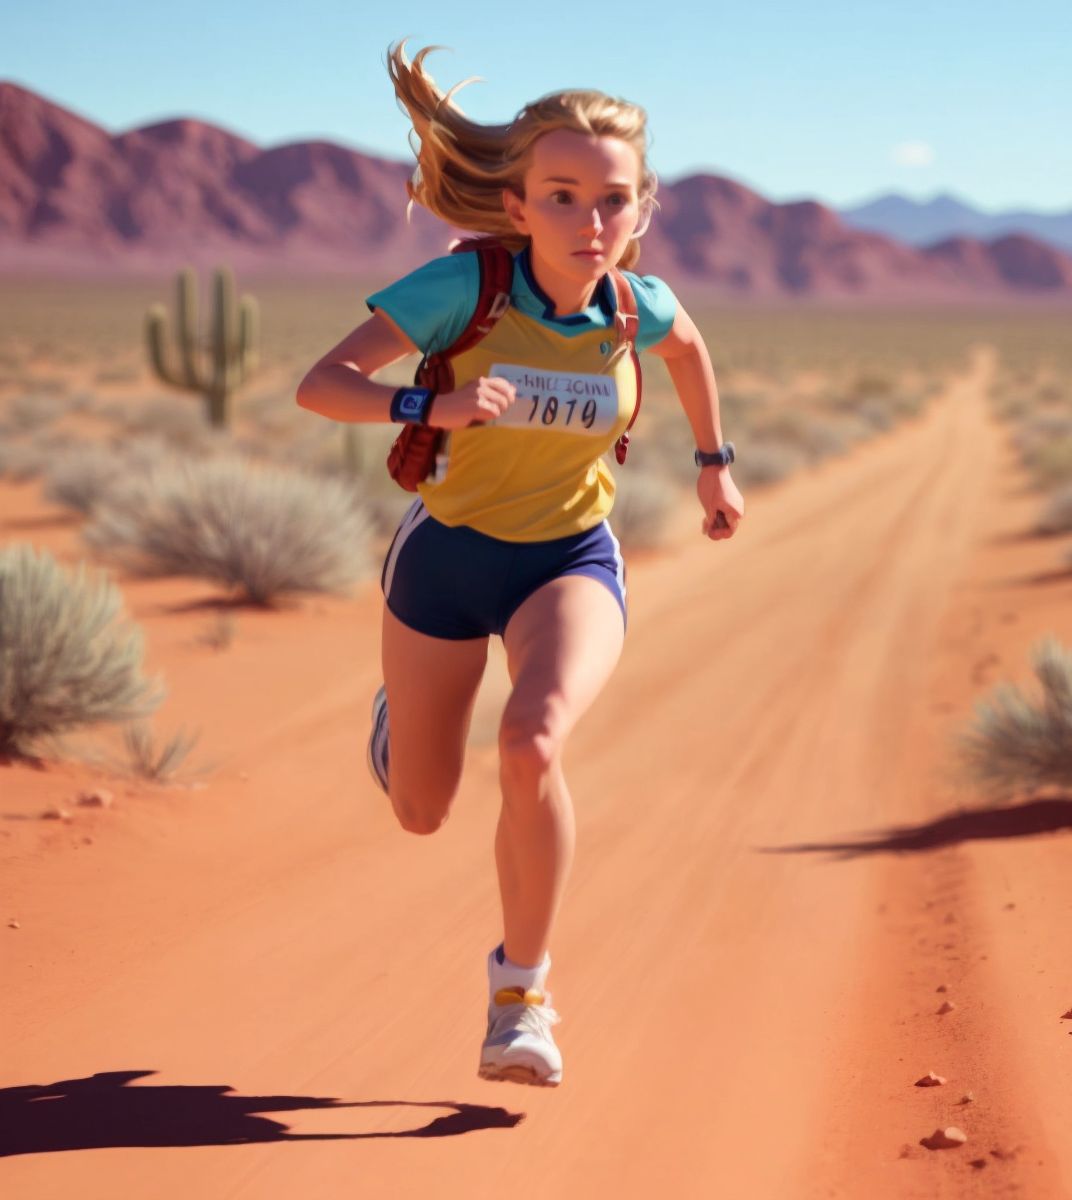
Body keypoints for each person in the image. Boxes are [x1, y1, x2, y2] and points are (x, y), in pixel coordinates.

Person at [296, 38, 744, 1088]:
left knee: (534, 743)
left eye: (613, 201)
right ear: (519, 201)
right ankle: (396, 723)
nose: (592, 223)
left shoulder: (638, 306)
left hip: (570, 561)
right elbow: (323, 383)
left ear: (644, 207)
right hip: (445, 559)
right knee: (422, 808)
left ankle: (522, 999)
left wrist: (714, 466)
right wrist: (430, 403)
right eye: (563, 196)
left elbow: (690, 351)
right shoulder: (463, 289)